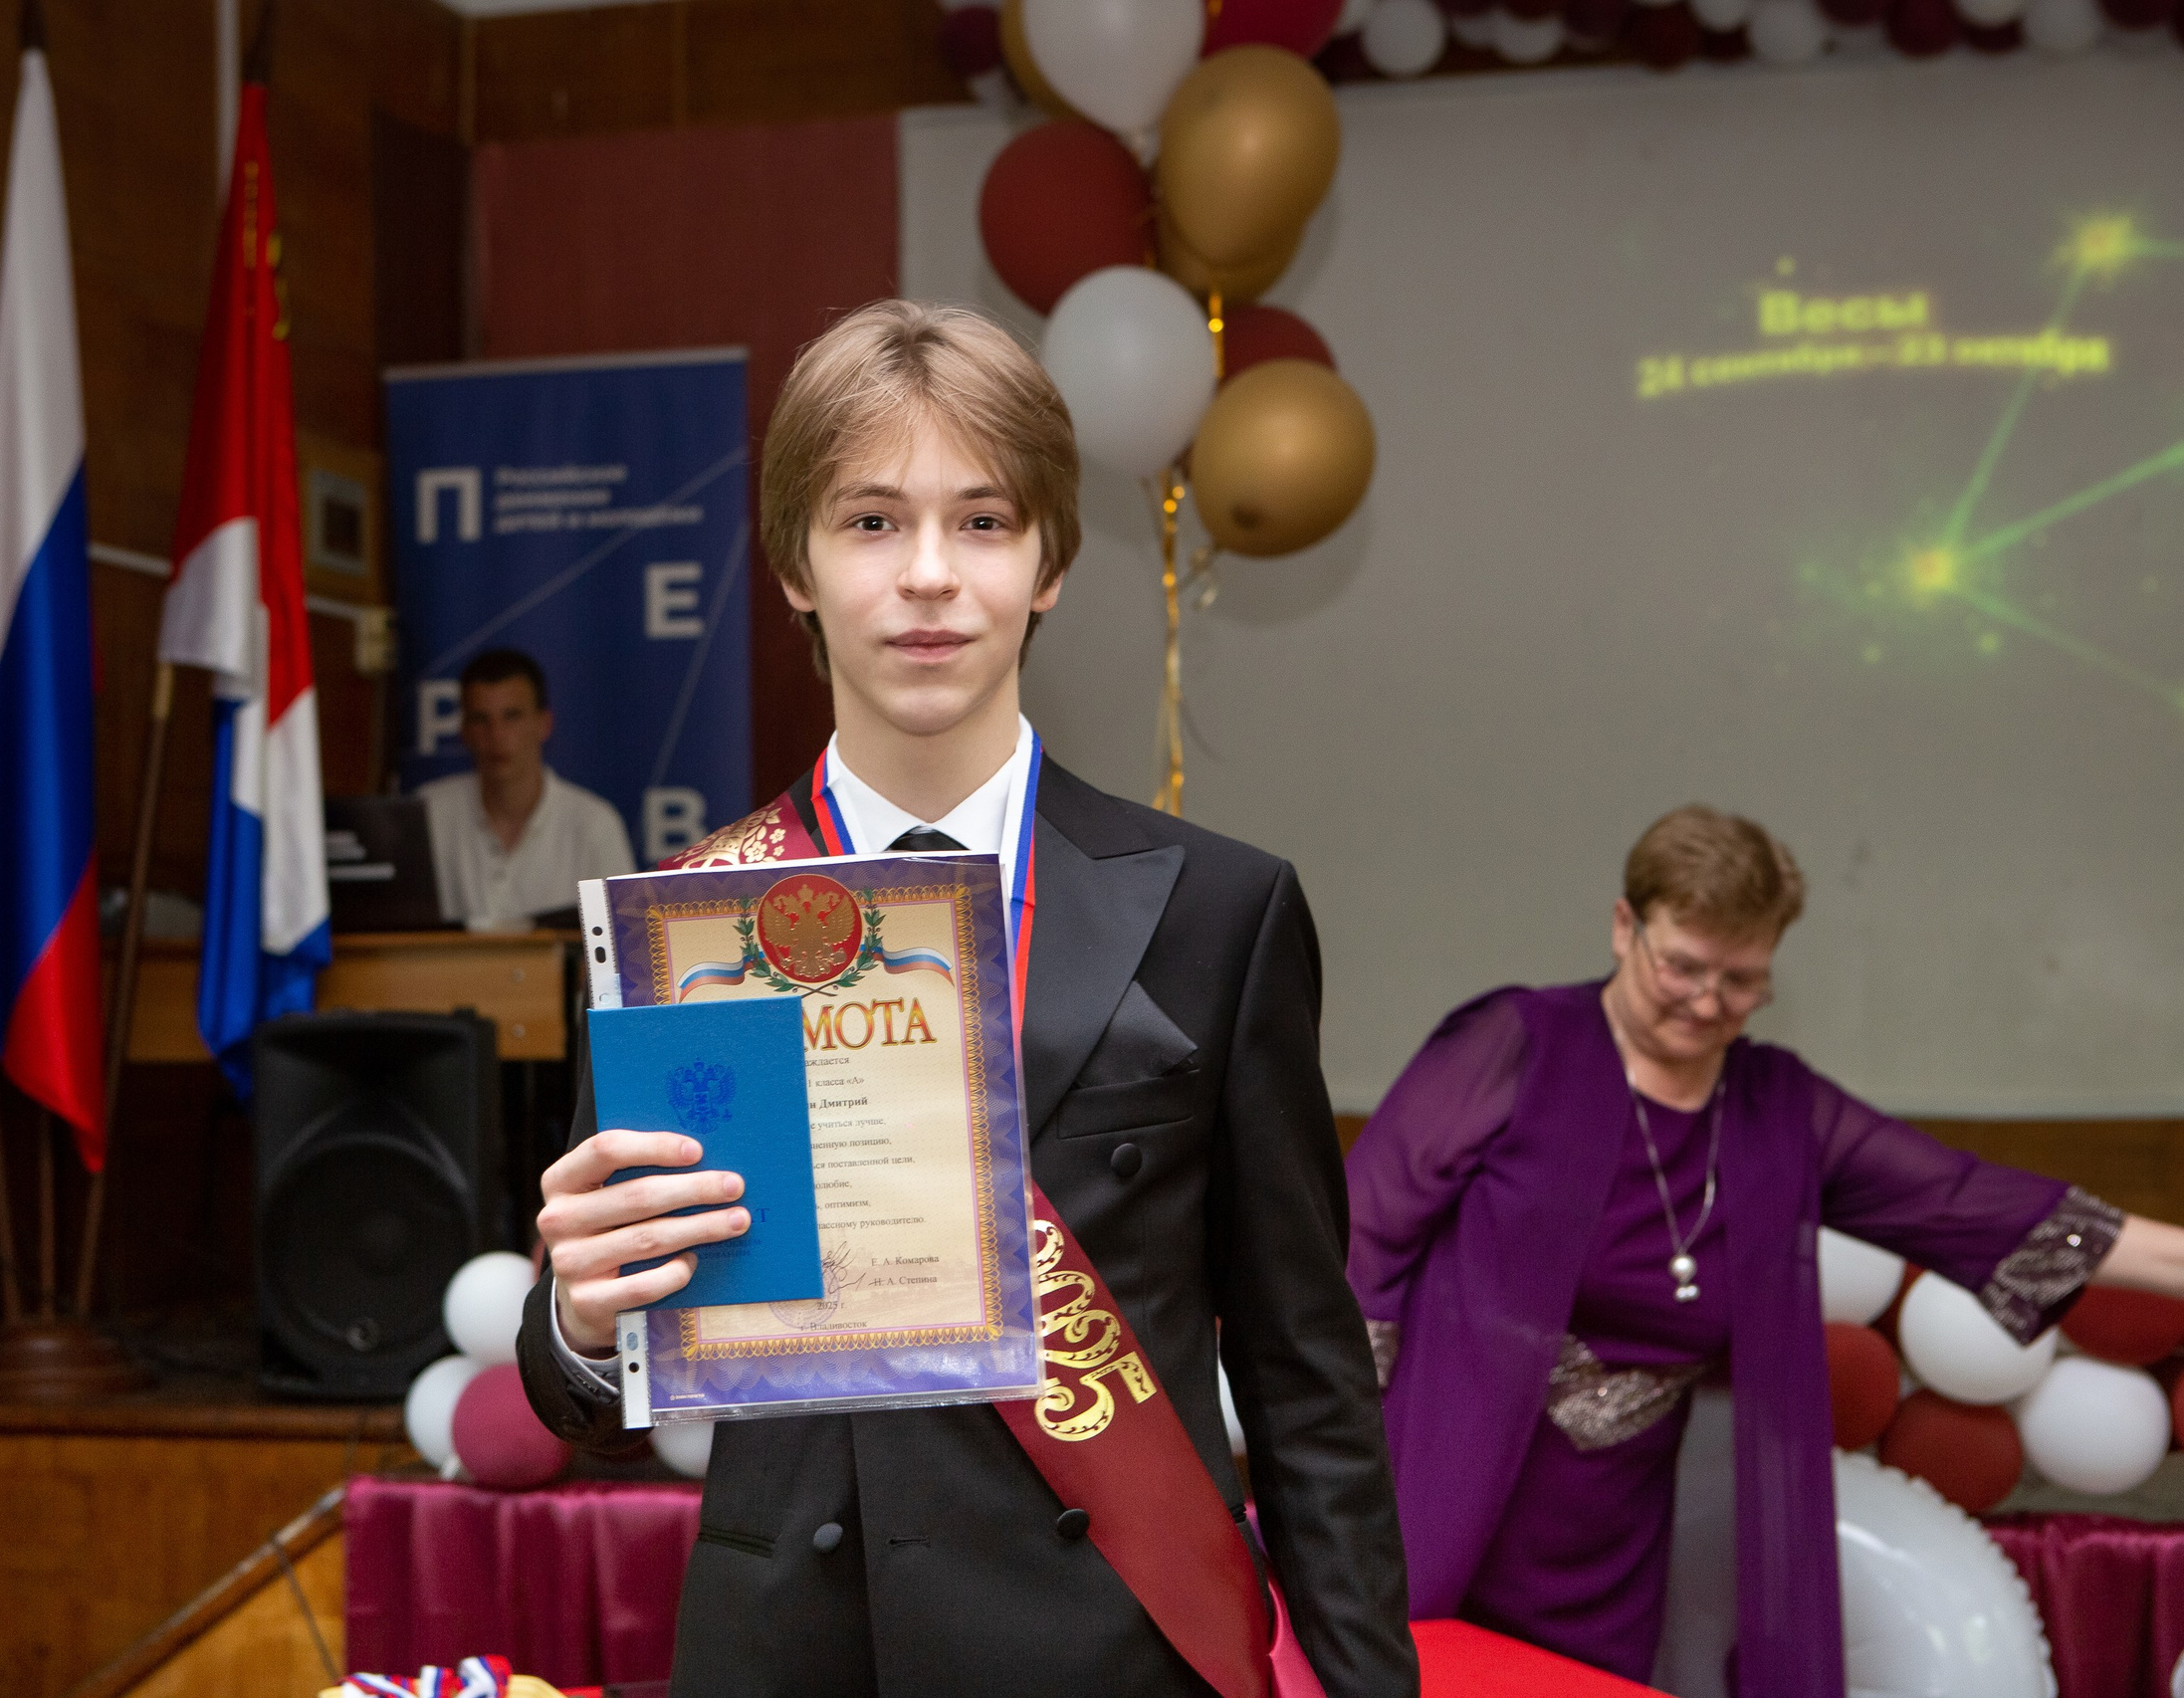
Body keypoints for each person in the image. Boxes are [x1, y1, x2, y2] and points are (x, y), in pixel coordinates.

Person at [514, 301, 1418, 1697]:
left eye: (983, 521)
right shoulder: (685, 920)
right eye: (870, 521)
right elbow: (606, 1401)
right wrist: (579, 1315)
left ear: (1053, 557)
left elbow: (1307, 1380)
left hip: (1112, 1651)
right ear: (795, 564)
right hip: (795, 1656)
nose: (928, 576)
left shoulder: (1214, 912)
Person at [1345, 804, 2184, 1696]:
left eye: (1742, 980)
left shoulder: (1780, 1110)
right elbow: (1359, 1241)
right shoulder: (1517, 1044)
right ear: (1625, 926)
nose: (1708, 1003)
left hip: (1606, 1545)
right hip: (1440, 1483)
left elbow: (1976, 1202)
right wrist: (1331, 1475)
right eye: (1684, 966)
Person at [415, 648, 633, 931]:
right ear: (464, 731)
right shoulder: (427, 811)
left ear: (544, 724)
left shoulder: (594, 824)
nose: (496, 735)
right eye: (481, 719)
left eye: (512, 716)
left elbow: (624, 948)